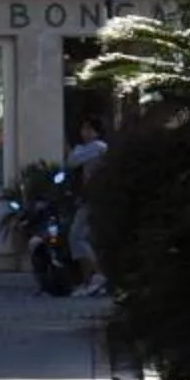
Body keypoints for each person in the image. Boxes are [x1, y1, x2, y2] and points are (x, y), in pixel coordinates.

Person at [64, 118, 110, 295]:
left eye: (89, 129)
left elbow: (72, 161)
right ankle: (88, 280)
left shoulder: (98, 147)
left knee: (77, 235)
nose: (84, 132)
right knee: (82, 237)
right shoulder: (90, 148)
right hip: (88, 197)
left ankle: (97, 275)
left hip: (94, 198)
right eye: (83, 129)